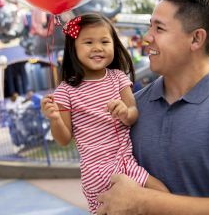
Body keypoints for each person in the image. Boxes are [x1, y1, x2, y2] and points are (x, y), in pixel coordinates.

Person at [97, 0, 209, 214]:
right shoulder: (130, 109)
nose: (147, 37)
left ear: (196, 39)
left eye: (159, 28)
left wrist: (144, 202)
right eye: (150, 26)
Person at [40, 13, 168, 214]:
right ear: (74, 48)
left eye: (104, 41)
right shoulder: (66, 91)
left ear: (114, 46)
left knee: (157, 199)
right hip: (98, 171)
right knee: (161, 194)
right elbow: (63, 139)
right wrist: (55, 118)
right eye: (88, 42)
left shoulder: (117, 78)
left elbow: (134, 113)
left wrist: (125, 112)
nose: (97, 47)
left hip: (125, 162)